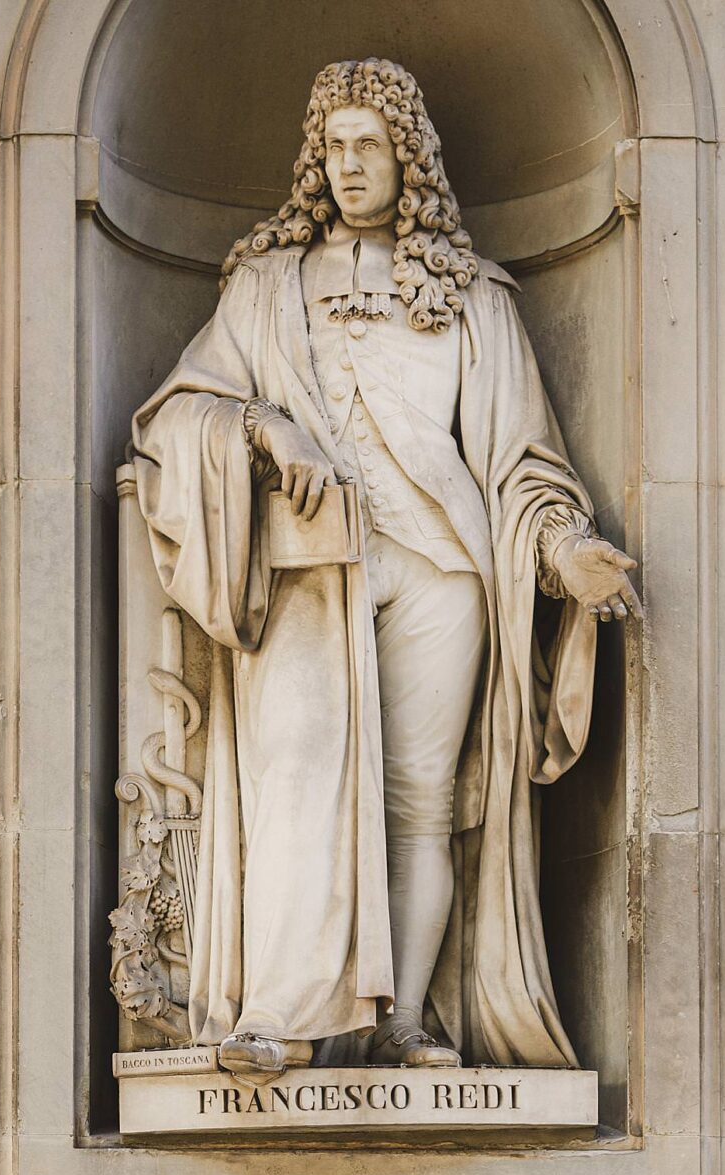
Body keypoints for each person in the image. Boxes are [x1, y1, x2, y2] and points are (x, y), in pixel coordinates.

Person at [133, 57, 639, 1081]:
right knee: (296, 767)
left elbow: (521, 464)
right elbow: (174, 416)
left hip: (443, 569)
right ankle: (279, 1015)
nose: (352, 162)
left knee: (416, 799)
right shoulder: (268, 287)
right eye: (337, 145)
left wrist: (565, 553)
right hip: (316, 577)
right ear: (315, 161)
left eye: (371, 144)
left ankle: (404, 1020)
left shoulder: (474, 299)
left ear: (409, 159)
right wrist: (266, 425)